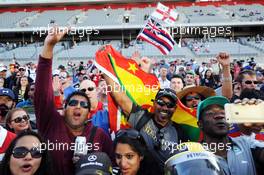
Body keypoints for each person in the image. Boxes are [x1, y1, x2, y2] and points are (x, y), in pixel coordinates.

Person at [34, 27, 113, 175]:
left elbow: (113, 165)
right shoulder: (51, 124)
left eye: (84, 105)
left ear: (89, 113)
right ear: (64, 109)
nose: (78, 106)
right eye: (73, 103)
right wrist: (49, 47)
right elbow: (42, 95)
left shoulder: (99, 135)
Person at [197, 96, 264, 175]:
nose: (220, 116)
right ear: (200, 124)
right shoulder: (194, 155)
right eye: (210, 113)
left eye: (224, 113)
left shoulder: (246, 143)